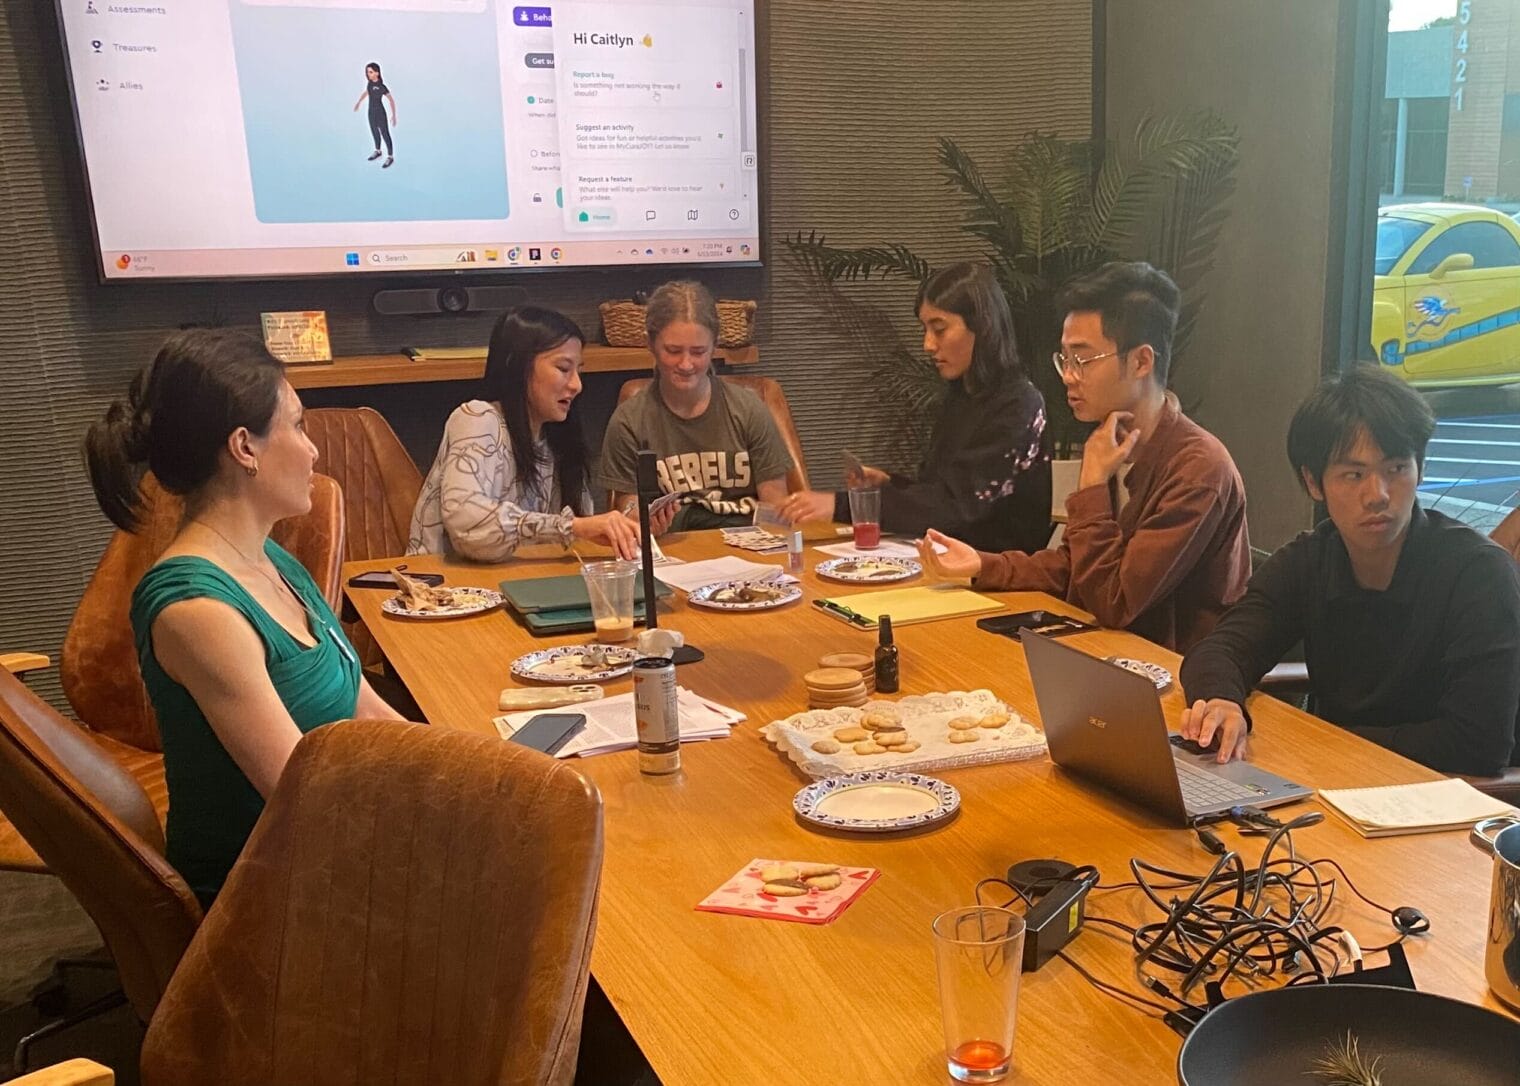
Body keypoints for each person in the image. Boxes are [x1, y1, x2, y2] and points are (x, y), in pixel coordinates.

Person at [84, 329, 408, 906]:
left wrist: (478, 772)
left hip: (328, 858)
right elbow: (301, 790)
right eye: (300, 425)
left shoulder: (271, 558)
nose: (313, 450)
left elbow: (363, 707)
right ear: (244, 447)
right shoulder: (196, 609)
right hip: (263, 901)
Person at [1179, 366, 1520, 775]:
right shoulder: (1308, 561)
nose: (1377, 495)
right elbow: (1221, 650)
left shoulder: (1477, 574)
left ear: (1420, 469)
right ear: (1313, 482)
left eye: (1396, 468)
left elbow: (1477, 743)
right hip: (1339, 783)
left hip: (1444, 803)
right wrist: (1221, 700)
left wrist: (1321, 743)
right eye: (1353, 474)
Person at [919, 261, 1250, 652]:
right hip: (1104, 655)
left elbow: (1116, 602)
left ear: (1142, 361)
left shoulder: (1199, 469)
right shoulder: (1117, 438)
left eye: (1082, 359)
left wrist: (1092, 485)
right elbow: (1074, 567)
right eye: (1064, 359)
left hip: (1175, 682)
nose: (1068, 376)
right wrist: (981, 564)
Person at [777, 262, 1051, 552]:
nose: (928, 345)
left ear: (981, 328)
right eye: (925, 329)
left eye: (940, 329)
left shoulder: (1018, 405)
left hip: (1002, 579)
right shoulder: (962, 397)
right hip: (947, 563)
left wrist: (840, 504)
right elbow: (941, 491)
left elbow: (957, 508)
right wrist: (891, 485)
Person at [408, 307, 647, 561]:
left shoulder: (555, 435)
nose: (577, 385)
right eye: (564, 368)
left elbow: (578, 531)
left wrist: (627, 526)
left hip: (522, 582)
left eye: (579, 370)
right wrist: (573, 527)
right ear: (518, 367)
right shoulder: (476, 418)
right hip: (444, 589)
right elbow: (468, 527)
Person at [599, 280, 794, 530]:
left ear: (715, 346)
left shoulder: (749, 409)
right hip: (674, 550)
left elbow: (776, 509)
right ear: (651, 344)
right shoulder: (629, 421)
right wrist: (643, 523)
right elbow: (628, 512)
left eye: (698, 351)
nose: (686, 364)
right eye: (673, 350)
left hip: (746, 544)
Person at [352, 61, 397, 168]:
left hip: (380, 113)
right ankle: (378, 151)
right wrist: (359, 102)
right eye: (367, 72)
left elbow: (391, 100)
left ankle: (390, 157)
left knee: (385, 134)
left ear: (377, 73)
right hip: (371, 112)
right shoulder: (370, 84)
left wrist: (394, 115)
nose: (368, 74)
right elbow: (367, 92)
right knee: (374, 132)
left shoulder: (382, 87)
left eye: (371, 72)